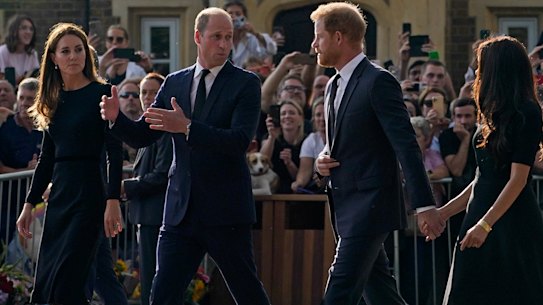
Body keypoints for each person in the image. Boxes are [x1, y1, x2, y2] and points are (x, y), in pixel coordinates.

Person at [100, 8, 270, 305]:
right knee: (162, 294)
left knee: (247, 291)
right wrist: (116, 120)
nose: (223, 44)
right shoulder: (175, 82)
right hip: (181, 212)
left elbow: (239, 141)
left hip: (226, 211)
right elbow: (143, 134)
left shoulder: (245, 83)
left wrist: (188, 127)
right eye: (216, 36)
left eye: (228, 37)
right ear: (197, 37)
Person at [310, 3, 444, 304]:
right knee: (382, 295)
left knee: (339, 292)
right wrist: (322, 160)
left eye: (319, 36)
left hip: (370, 208)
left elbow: (406, 143)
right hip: (346, 208)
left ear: (339, 36)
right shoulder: (332, 85)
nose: (313, 45)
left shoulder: (378, 81)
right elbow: (344, 142)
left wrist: (424, 205)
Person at [15, 23, 123, 305]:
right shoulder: (53, 99)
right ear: (54, 58)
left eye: (79, 49)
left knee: (69, 284)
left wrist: (112, 200)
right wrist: (29, 205)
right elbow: (47, 158)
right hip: (60, 197)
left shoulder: (103, 92)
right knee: (46, 285)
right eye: (66, 51)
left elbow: (114, 152)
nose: (74, 56)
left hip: (90, 194)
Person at [438, 35, 543, 305]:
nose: (476, 73)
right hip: (478, 216)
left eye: (482, 66)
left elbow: (518, 179)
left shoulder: (528, 112)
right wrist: (444, 213)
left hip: (510, 222)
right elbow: (482, 177)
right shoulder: (489, 112)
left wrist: (485, 224)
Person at [121, 72, 172, 305]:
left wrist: (126, 187)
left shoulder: (165, 129)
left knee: (154, 279)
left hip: (157, 216)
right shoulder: (148, 126)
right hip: (147, 215)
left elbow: (161, 175)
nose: (148, 97)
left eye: (154, 92)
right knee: (149, 278)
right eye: (144, 92)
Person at [0, 77, 41, 249]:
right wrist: (26, 170)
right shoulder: (5, 127)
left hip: (40, 205)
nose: (24, 103)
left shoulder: (46, 129)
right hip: (7, 205)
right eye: (21, 98)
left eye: (30, 99)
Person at [260, 100, 306, 194]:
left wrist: (289, 164)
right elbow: (261, 162)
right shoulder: (269, 138)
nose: (287, 116)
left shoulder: (307, 141)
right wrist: (272, 137)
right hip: (272, 190)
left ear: (301, 119)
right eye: (283, 113)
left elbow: (303, 178)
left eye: (292, 113)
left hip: (297, 193)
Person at [223, 0, 276, 67]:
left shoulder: (251, 38)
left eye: (238, 14)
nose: (234, 17)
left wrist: (254, 33)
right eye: (230, 14)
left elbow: (271, 50)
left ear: (244, 18)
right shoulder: (221, 40)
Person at [291, 97, 325, 193]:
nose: (322, 119)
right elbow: (304, 174)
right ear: (313, 119)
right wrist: (298, 183)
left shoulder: (342, 137)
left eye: (326, 114)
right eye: (318, 115)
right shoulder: (311, 140)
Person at [0, 14, 39, 84]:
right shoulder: (2, 51)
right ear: (14, 31)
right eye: (24, 28)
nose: (28, 32)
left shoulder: (32, 54)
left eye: (31, 29)